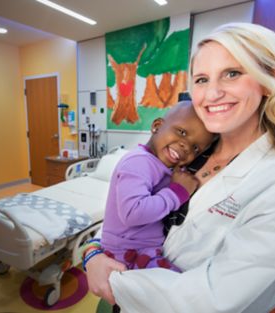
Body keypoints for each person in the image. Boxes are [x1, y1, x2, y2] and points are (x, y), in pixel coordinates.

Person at [83, 22, 275, 313]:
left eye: (232, 73)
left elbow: (210, 300)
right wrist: (92, 252)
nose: (212, 93)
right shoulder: (189, 153)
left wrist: (113, 279)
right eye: (202, 79)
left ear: (268, 81)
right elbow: (124, 210)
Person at [81, 101, 214, 273]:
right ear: (157, 126)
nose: (185, 146)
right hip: (127, 253)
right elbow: (133, 213)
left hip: (141, 250)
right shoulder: (139, 161)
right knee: (176, 287)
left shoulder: (161, 164)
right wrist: (177, 192)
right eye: (181, 132)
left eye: (195, 148)